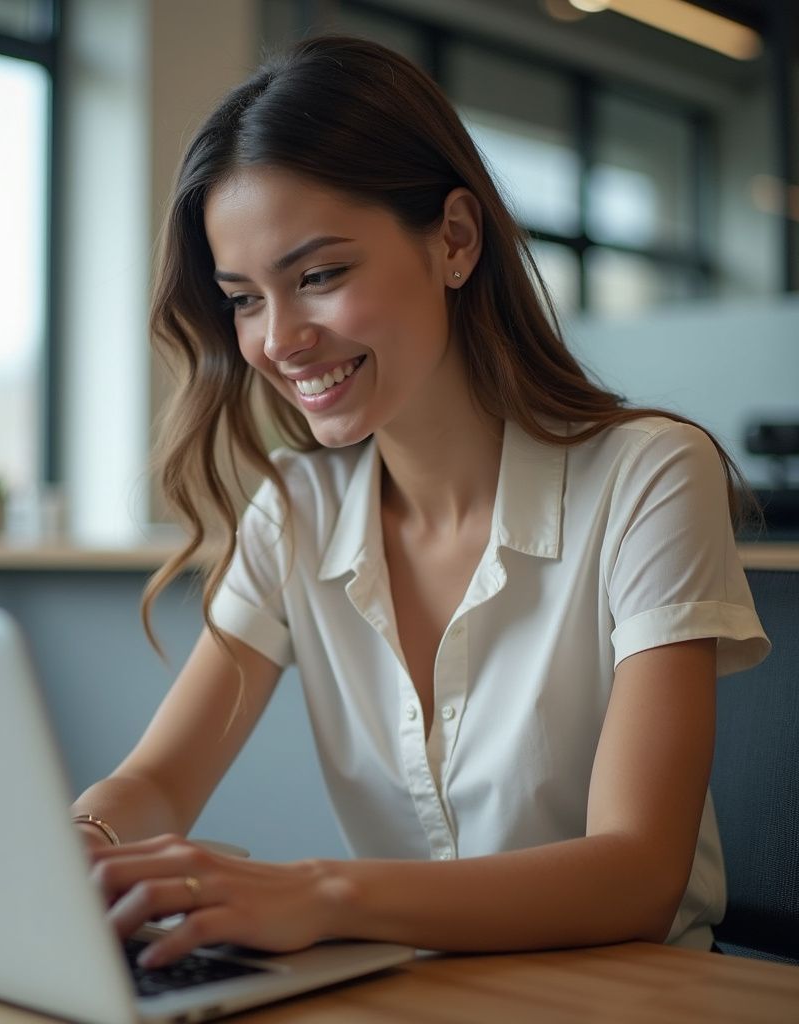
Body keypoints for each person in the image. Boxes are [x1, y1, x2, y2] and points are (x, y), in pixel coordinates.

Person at [71, 35, 769, 969]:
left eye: (319, 276)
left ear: (454, 239)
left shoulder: (650, 476)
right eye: (244, 299)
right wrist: (90, 841)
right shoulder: (296, 512)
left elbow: (637, 876)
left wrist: (319, 894)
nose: (280, 340)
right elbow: (158, 778)